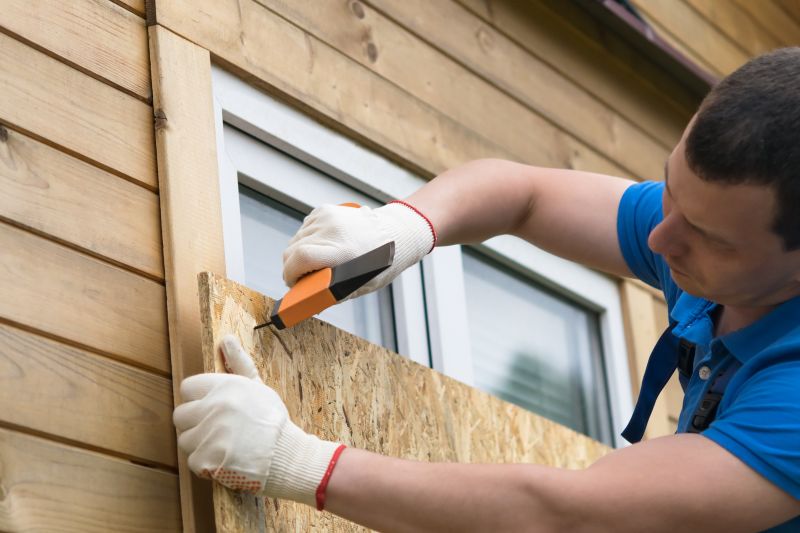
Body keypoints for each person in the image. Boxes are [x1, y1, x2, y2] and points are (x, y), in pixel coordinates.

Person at [173, 48, 800, 531]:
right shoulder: (701, 228)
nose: (660, 239)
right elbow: (524, 196)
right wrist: (405, 226)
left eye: (709, 239)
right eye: (670, 190)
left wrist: (299, 463)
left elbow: (568, 517)